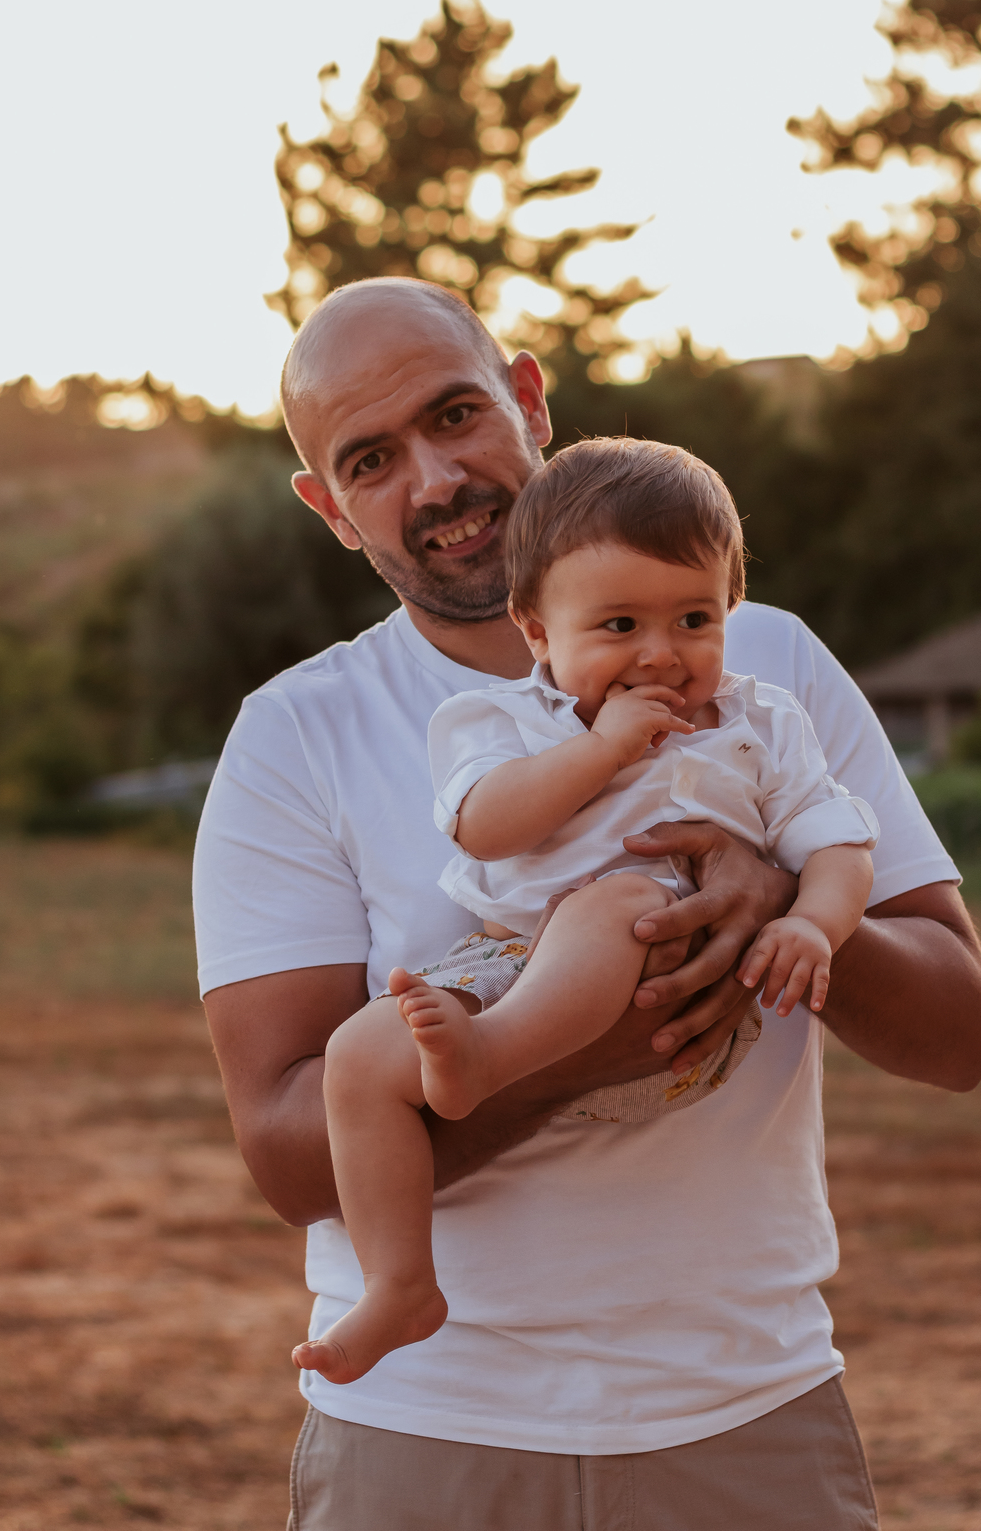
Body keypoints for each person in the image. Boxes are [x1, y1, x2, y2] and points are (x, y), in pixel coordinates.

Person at [195, 277, 981, 1530]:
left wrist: (779, 903)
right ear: (332, 511)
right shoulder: (295, 737)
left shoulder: (766, 665)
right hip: (427, 1426)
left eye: (456, 415)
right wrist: (574, 1053)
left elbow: (961, 1036)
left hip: (746, 1412)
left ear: (527, 398)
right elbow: (291, 1156)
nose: (436, 480)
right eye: (371, 461)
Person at [290, 437, 879, 1386]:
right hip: (510, 964)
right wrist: (601, 751)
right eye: (616, 627)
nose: (660, 653)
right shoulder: (506, 726)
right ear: (537, 631)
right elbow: (485, 828)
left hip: (670, 984)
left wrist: (813, 922)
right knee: (358, 1059)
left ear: (731, 608)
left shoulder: (761, 725)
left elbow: (837, 840)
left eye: (694, 618)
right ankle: (400, 1284)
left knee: (615, 900)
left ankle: (485, 1058)